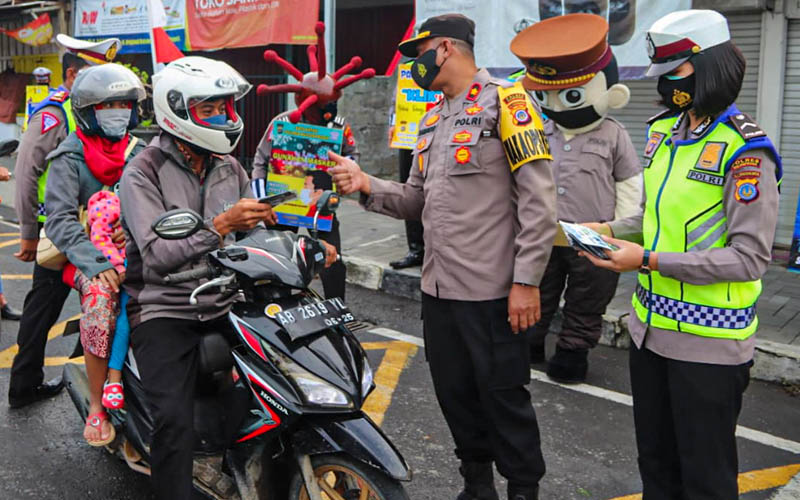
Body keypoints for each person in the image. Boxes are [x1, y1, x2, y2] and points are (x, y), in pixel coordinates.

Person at [330, 14, 556, 500]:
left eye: (421, 52)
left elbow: (540, 200)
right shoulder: (432, 118)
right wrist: (366, 184)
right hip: (439, 291)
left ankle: (522, 491)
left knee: (504, 401)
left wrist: (527, 281)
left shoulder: (508, 103)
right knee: (457, 399)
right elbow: (416, 201)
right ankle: (477, 488)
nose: (416, 63)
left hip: (494, 293)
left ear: (448, 49)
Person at [581, 10, 781, 499]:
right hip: (650, 334)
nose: (666, 83)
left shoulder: (746, 152)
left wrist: (644, 261)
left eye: (677, 72)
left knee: (706, 479)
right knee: (657, 466)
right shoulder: (665, 132)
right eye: (662, 74)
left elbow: (748, 259)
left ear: (710, 66)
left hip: (708, 345)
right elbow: (655, 216)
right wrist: (605, 228)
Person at [120, 56, 336, 499]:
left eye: (225, 108)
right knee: (174, 422)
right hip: (165, 307)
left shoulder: (229, 166)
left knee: (280, 389)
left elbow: (253, 229)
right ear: (177, 111)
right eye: (210, 110)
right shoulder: (142, 172)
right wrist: (218, 226)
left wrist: (302, 243)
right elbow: (158, 256)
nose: (224, 118)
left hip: (226, 300)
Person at [510, 13, 643, 382]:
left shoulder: (614, 135)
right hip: (543, 235)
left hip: (595, 238)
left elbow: (630, 186)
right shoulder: (541, 129)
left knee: (588, 300)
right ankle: (531, 343)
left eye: (569, 94)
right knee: (540, 289)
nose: (556, 103)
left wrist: (621, 232)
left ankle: (572, 351)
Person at [9, 34, 121, 409]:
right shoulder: (54, 113)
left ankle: (96, 382)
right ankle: (24, 384)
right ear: (72, 74)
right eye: (93, 72)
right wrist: (27, 233)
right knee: (44, 308)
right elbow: (26, 172)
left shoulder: (105, 112)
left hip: (107, 230)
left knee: (108, 305)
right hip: (61, 227)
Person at [44, 63, 145, 446]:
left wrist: (135, 228)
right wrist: (97, 264)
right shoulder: (68, 157)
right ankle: (98, 407)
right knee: (103, 302)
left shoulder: (142, 151)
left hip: (137, 251)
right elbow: (60, 221)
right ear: (87, 111)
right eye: (107, 105)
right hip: (86, 258)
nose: (118, 110)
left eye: (123, 103)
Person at [253, 22, 373, 300]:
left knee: (332, 256)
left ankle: (336, 307)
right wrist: (263, 201)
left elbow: (354, 157)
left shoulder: (339, 127)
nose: (327, 115)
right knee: (280, 254)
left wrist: (346, 177)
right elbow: (260, 161)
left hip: (321, 199)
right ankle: (280, 304)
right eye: (323, 109)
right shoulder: (280, 124)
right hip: (283, 199)